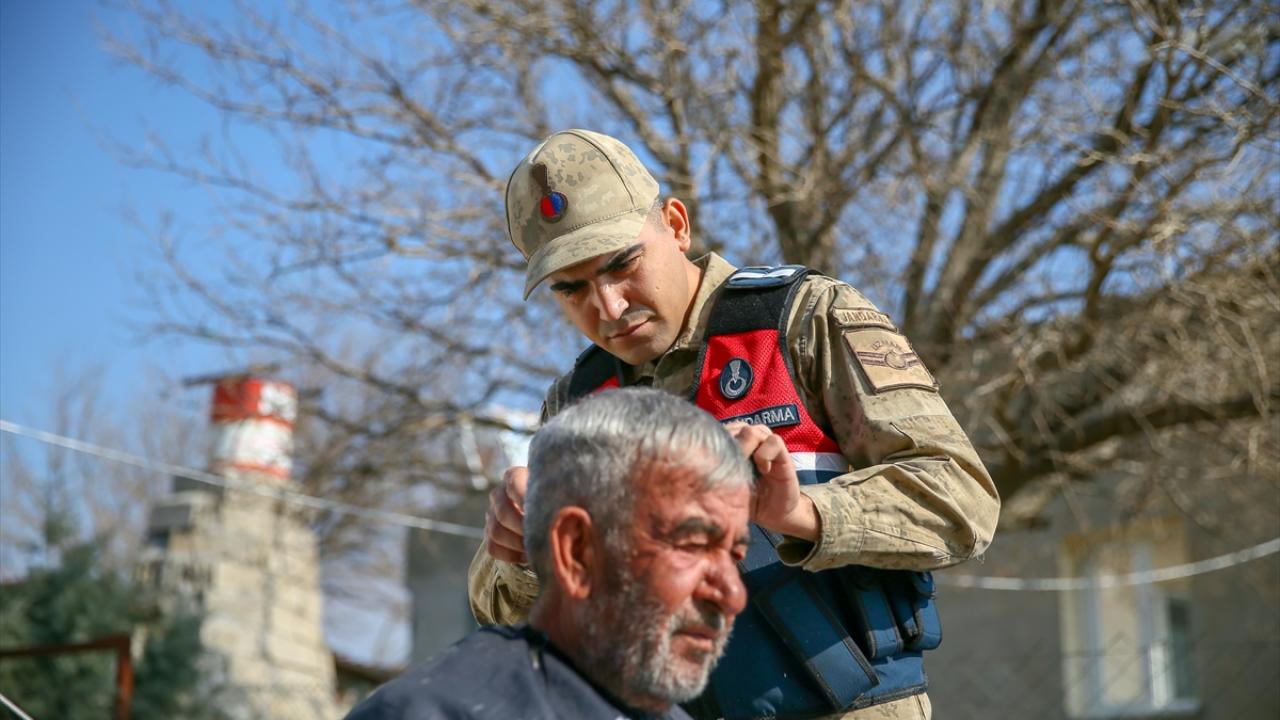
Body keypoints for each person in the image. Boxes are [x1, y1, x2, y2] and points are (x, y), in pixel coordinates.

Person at [470, 129, 1002, 719]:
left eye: (623, 264)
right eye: (572, 289)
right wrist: (517, 556)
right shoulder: (575, 405)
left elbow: (962, 499)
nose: (609, 307)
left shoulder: (807, 320)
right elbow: (504, 612)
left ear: (675, 224)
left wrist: (801, 514)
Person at [347, 388, 756, 719]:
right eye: (693, 547)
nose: (732, 595)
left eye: (735, 555)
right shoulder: (430, 712)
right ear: (577, 552)